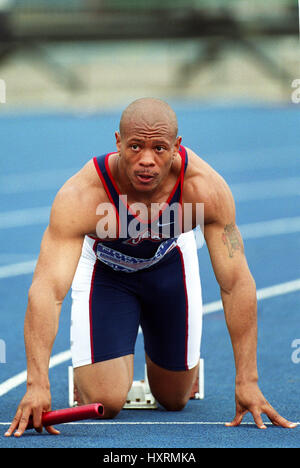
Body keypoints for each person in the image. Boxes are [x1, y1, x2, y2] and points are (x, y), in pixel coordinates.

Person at [5, 97, 297, 437]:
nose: (146, 160)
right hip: (106, 270)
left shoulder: (204, 189)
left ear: (176, 147)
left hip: (168, 262)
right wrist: (36, 382)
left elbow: (236, 283)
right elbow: (47, 289)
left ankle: (173, 366)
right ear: (117, 143)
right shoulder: (82, 195)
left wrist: (248, 380)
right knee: (106, 402)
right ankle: (93, 373)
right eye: (135, 147)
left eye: (159, 148)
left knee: (173, 399)